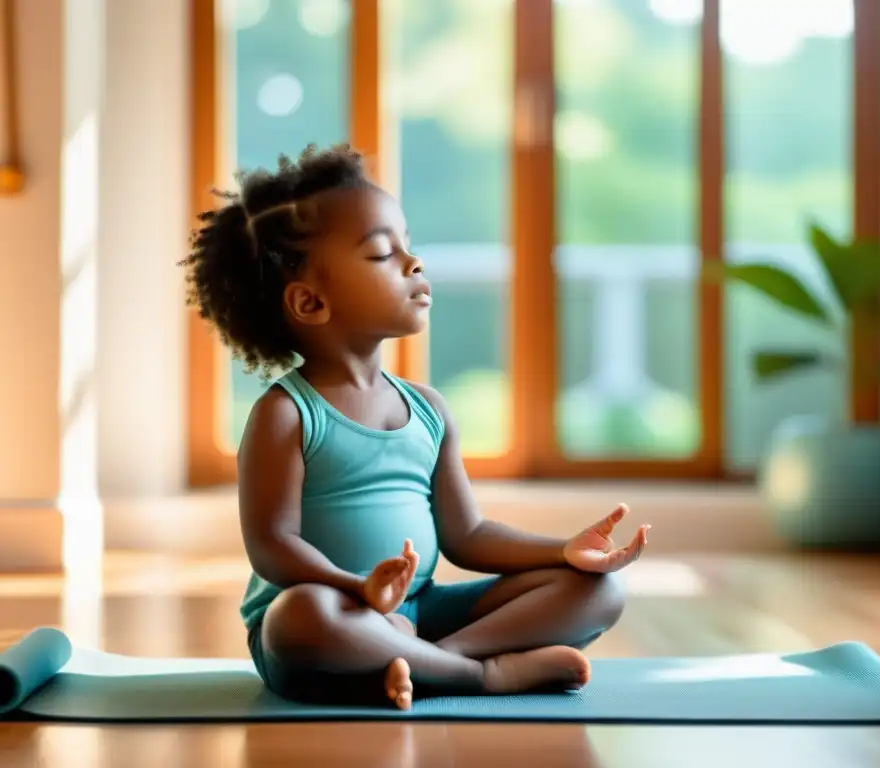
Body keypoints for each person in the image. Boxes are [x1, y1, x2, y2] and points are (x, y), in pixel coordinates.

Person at [180, 144, 651, 709]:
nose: (414, 263)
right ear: (310, 303)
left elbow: (468, 536)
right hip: (331, 614)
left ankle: (428, 662)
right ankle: (480, 675)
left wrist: (564, 551)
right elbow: (272, 548)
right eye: (383, 254)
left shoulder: (428, 409)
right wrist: (359, 589)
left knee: (598, 590)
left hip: (419, 616)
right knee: (298, 618)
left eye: (409, 247)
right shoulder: (285, 414)